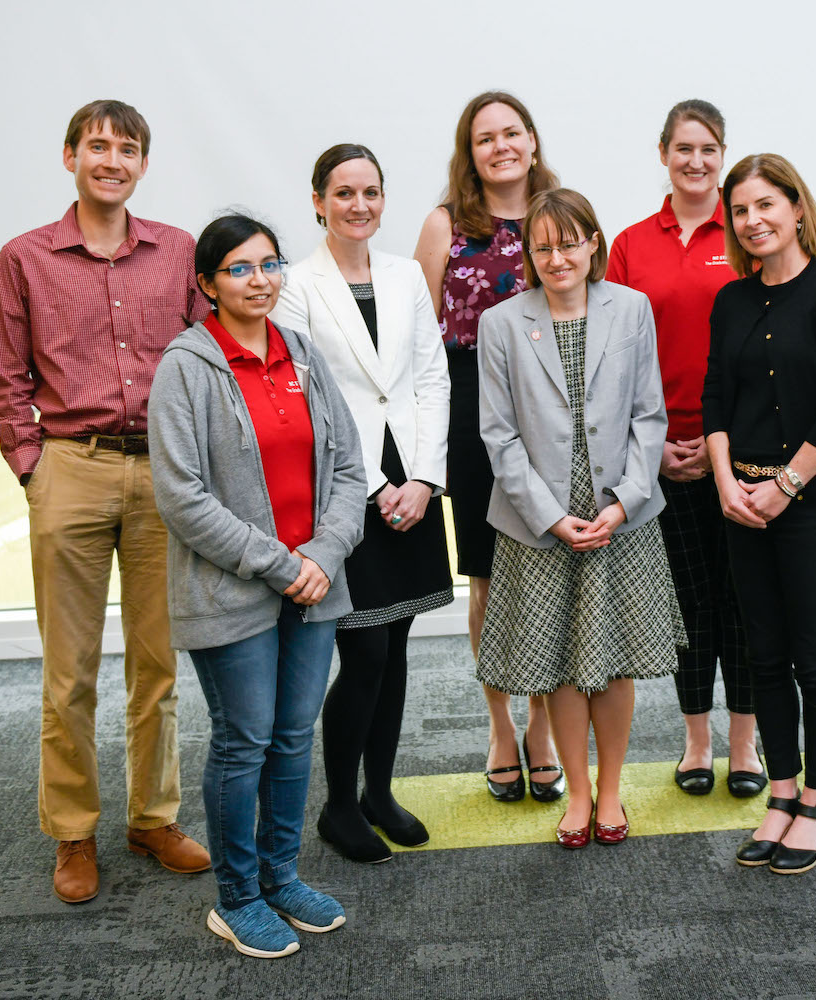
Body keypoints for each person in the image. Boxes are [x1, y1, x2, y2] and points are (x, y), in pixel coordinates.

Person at [0, 99, 210, 904]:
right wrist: (32, 466)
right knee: (68, 673)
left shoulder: (179, 251)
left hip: (161, 477)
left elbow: (206, 356)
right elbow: (5, 375)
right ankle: (72, 834)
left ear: (144, 164)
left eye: (128, 149)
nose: (112, 160)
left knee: (158, 665)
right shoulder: (25, 258)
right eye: (98, 146)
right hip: (69, 469)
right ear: (71, 155)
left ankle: (153, 816)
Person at [148, 214, 366, 958]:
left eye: (269, 264)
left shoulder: (302, 354)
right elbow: (181, 496)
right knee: (243, 741)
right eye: (240, 269)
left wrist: (324, 555)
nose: (260, 279)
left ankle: (280, 875)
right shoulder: (186, 366)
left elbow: (347, 471)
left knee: (292, 736)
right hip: (235, 590)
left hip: (315, 585)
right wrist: (283, 564)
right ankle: (236, 897)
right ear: (207, 284)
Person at [475, 189, 683, 848]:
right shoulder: (502, 322)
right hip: (542, 525)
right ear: (529, 255)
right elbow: (498, 435)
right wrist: (550, 515)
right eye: (543, 246)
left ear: (593, 242)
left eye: (569, 242)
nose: (557, 256)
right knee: (563, 662)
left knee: (613, 659)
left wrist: (624, 501)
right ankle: (579, 793)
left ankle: (613, 790)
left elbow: (650, 416)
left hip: (620, 515)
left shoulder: (633, 310)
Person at [272, 144, 452, 864]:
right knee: (365, 648)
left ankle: (381, 790)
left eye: (370, 192)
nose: (358, 204)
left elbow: (431, 378)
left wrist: (426, 480)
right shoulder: (295, 285)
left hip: (414, 480)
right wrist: (378, 486)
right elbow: (313, 394)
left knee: (398, 644)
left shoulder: (407, 275)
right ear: (318, 201)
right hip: (349, 487)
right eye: (343, 192)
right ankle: (339, 806)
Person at [705, 154, 816, 876]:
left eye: (766, 204)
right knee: (761, 657)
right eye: (741, 210)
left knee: (814, 657)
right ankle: (779, 794)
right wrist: (723, 483)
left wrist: (788, 486)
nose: (754, 220)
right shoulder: (732, 300)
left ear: (797, 209)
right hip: (741, 504)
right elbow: (715, 401)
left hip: (811, 508)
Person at [605, 100, 762, 799]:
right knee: (690, 607)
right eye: (684, 149)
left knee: (745, 601)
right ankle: (697, 742)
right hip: (661, 452)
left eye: (709, 149)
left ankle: (746, 746)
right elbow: (615, 356)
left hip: (745, 449)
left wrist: (724, 445)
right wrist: (658, 441)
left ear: (723, 154)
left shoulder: (751, 231)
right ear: (663, 152)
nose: (696, 162)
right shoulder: (633, 243)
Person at [413, 91, 565, 802]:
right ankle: (500, 723)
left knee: (545, 567)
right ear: (468, 152)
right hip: (470, 406)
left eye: (512, 132)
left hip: (551, 406)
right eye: (485, 138)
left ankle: (543, 723)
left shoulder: (562, 216)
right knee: (488, 576)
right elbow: (418, 341)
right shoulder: (446, 225)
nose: (501, 146)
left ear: (532, 141)